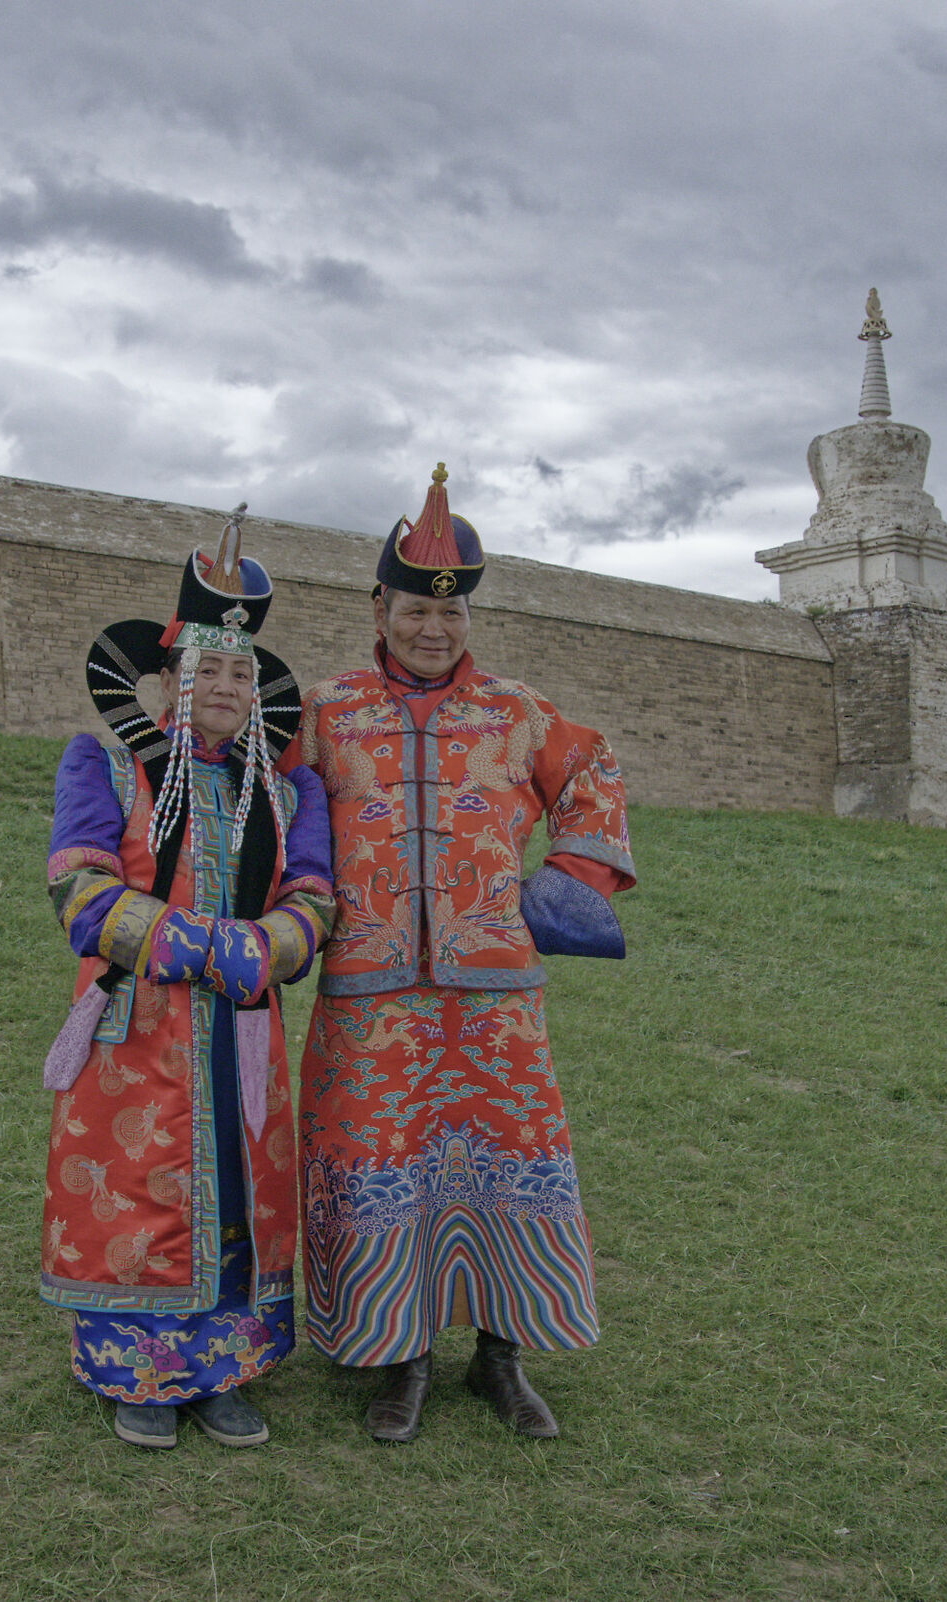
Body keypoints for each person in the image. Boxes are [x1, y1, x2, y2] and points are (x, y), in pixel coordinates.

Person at [284, 464, 635, 1442]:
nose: (432, 629)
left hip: (494, 1003)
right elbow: (265, 805)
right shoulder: (325, 713)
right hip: (369, 1000)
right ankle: (401, 1358)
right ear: (380, 605)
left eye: (451, 616)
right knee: (384, 1168)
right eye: (412, 610)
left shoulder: (519, 714)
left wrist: (564, 891)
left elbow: (593, 773)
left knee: (506, 1170)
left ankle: (500, 1357)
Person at [38, 508, 334, 1450]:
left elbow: (317, 897)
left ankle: (224, 1371)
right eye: (205, 669)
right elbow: (80, 892)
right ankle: (139, 1372)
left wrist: (272, 947)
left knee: (237, 1185)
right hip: (140, 1026)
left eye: (241, 672)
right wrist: (200, 946)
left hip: (242, 1028)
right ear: (167, 680)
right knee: (139, 1187)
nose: (224, 685)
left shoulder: (288, 793)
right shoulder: (106, 766)